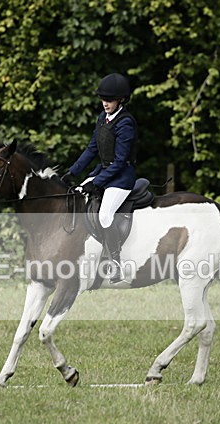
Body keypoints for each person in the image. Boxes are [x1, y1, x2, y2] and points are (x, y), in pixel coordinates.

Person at [62, 73, 139, 283]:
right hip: (105, 171)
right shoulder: (102, 118)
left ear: (121, 100)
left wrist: (96, 182)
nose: (105, 103)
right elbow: (92, 148)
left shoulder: (125, 123)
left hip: (122, 177)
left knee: (105, 215)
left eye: (110, 100)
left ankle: (115, 263)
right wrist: (73, 172)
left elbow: (120, 161)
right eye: (103, 99)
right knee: (78, 194)